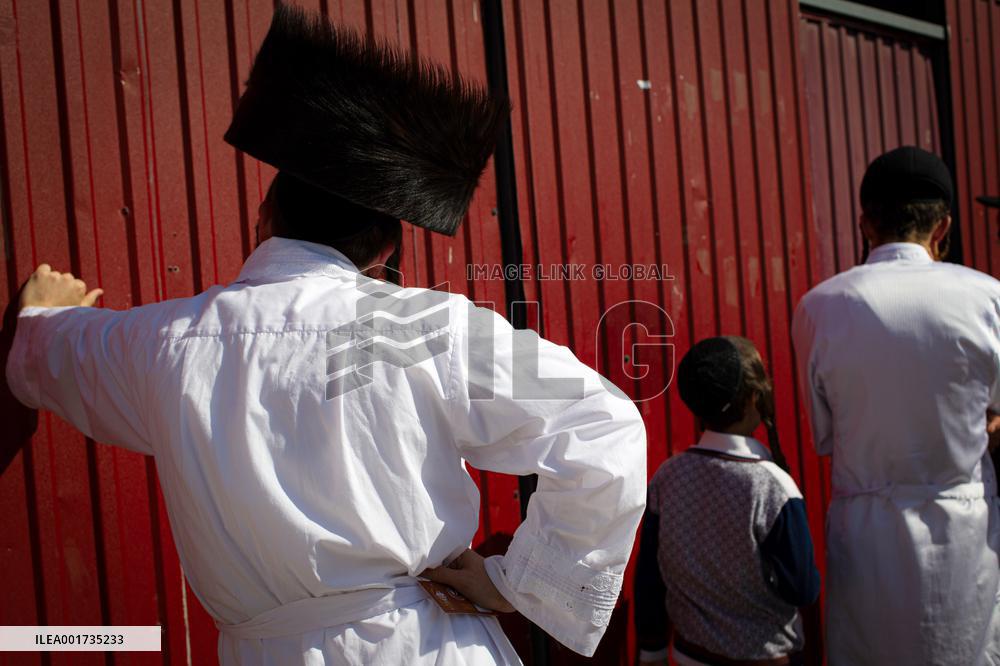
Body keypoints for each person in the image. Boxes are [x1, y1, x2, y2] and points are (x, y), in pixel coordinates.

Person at [4, 5, 646, 665]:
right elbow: (602, 422)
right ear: (383, 249)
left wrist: (39, 319)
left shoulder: (165, 344)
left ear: (265, 217)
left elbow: (53, 354)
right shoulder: (429, 329)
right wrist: (519, 585)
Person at [792, 146, 1000, 665]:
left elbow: (824, 431)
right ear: (943, 227)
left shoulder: (821, 306)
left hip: (867, 537)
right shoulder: (989, 297)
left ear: (865, 224)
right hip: (963, 530)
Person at [634, 336, 820, 666]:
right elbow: (801, 589)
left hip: (689, 655)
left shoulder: (668, 477)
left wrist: (652, 651)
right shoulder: (774, 488)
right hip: (765, 658)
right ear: (753, 399)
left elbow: (650, 574)